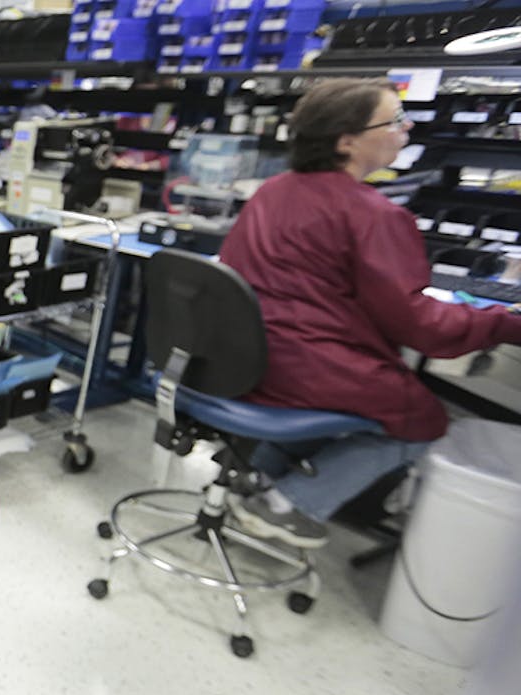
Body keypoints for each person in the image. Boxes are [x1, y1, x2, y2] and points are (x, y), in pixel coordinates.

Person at [218, 77, 521, 549]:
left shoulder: (273, 191)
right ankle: (287, 505)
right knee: (422, 418)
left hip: (246, 358)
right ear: (346, 141)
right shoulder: (373, 215)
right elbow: (421, 326)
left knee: (347, 403)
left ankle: (257, 481)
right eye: (396, 120)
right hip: (309, 367)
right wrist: (506, 323)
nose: (407, 128)